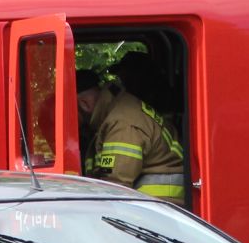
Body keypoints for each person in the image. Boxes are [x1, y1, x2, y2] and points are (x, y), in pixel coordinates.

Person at [76, 69, 186, 201]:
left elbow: (115, 190)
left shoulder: (122, 124)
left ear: (84, 104)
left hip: (156, 211)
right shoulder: (117, 111)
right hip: (152, 207)